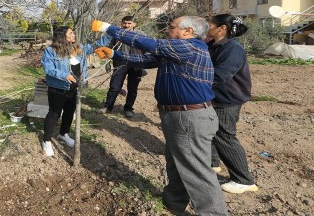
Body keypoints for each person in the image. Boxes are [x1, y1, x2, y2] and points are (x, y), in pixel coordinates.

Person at [94, 16, 228, 215]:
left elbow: (149, 44)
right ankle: (173, 203)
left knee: (198, 172)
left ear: (187, 31)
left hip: (190, 116)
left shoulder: (190, 47)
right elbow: (146, 59)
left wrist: (109, 28)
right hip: (178, 116)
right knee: (175, 163)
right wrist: (114, 53)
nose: (167, 29)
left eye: (171, 27)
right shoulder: (177, 51)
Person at [207, 14, 258, 194]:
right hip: (216, 97)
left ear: (221, 29)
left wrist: (193, 81)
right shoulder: (214, 45)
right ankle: (213, 163)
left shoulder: (232, 49)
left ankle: (243, 180)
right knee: (210, 131)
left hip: (227, 99)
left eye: (210, 25)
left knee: (225, 136)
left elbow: (220, 75)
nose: (207, 27)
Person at [40, 26, 106, 157]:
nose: (74, 34)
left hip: (74, 87)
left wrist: (111, 32)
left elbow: (96, 46)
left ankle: (63, 134)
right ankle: (46, 140)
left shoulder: (78, 48)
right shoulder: (51, 51)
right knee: (54, 114)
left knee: (70, 112)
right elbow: (48, 68)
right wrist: (64, 75)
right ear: (62, 35)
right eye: (71, 33)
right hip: (58, 87)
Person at [103, 16, 146, 118]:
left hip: (136, 64)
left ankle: (128, 108)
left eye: (129, 23)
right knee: (114, 86)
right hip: (120, 63)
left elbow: (147, 49)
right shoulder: (117, 34)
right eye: (124, 23)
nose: (126, 25)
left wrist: (144, 63)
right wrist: (108, 62)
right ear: (121, 23)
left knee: (132, 88)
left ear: (134, 24)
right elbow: (110, 48)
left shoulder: (141, 35)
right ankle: (108, 107)